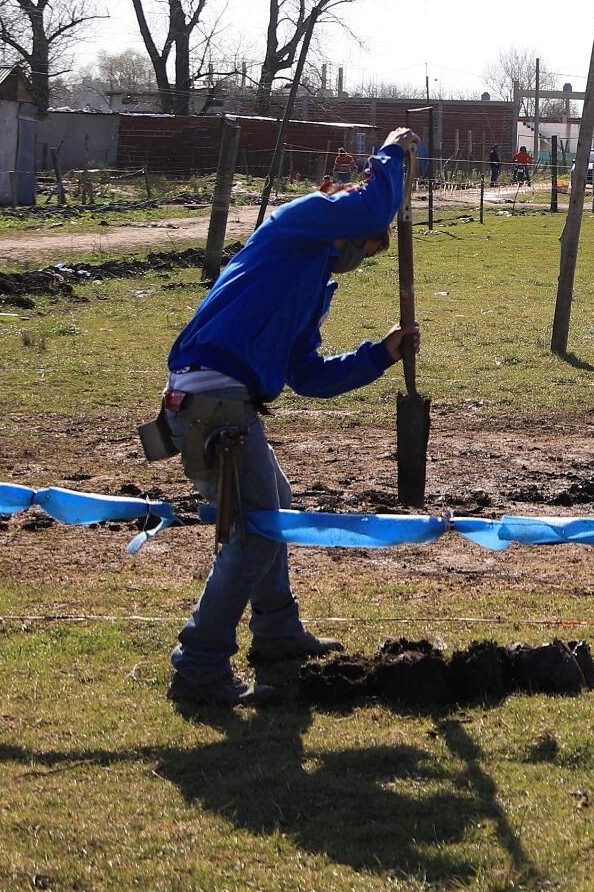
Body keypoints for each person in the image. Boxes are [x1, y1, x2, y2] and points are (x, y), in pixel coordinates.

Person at [154, 128, 420, 707]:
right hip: (211, 401)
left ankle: (276, 632)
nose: (361, 257)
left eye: (371, 253)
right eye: (367, 244)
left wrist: (381, 353)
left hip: (225, 401)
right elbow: (377, 201)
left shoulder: (310, 280)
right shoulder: (298, 222)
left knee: (276, 506)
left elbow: (309, 377)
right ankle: (199, 665)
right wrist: (395, 150)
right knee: (254, 535)